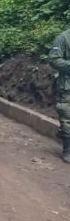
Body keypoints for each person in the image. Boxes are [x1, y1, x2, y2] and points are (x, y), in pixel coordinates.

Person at [48, 27, 70, 164]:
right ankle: (68, 150)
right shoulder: (63, 38)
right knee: (67, 117)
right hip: (67, 86)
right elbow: (54, 59)